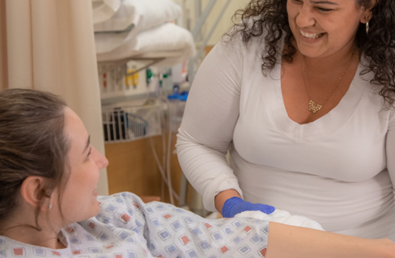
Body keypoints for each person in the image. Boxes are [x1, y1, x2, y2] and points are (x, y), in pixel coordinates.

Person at [176, 0, 395, 240]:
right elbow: (196, 141)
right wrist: (229, 201)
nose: (302, 19)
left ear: (367, 7)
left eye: (323, 8)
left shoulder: (388, 73)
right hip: (252, 240)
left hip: (357, 248)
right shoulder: (246, 46)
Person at [1, 88, 395, 257]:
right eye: (87, 154)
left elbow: (228, 238)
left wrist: (380, 250)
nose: (103, 162)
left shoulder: (111, 217)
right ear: (38, 191)